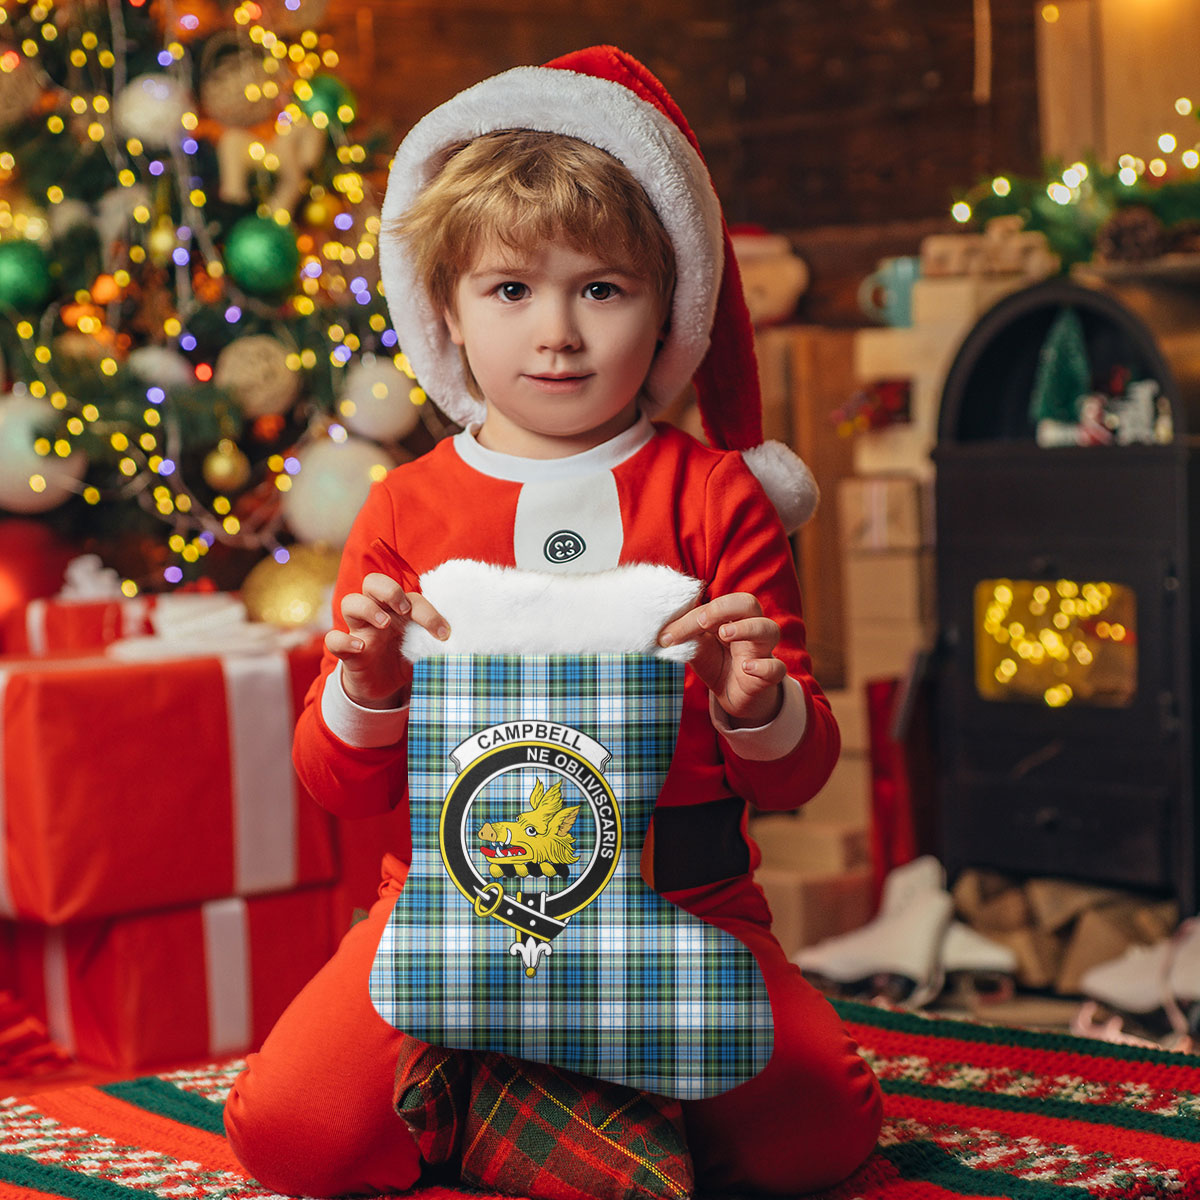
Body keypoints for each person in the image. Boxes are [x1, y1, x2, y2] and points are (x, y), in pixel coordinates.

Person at [224, 45, 882, 1197]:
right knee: (292, 1136)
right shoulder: (407, 504)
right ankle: (537, 1089)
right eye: (512, 289)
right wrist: (369, 686)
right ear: (447, 310)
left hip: (684, 902)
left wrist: (760, 705)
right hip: (446, 904)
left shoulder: (716, 496)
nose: (558, 334)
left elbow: (796, 779)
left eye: (602, 288)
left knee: (817, 1136)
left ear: (665, 303)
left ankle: (527, 1089)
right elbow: (339, 785)